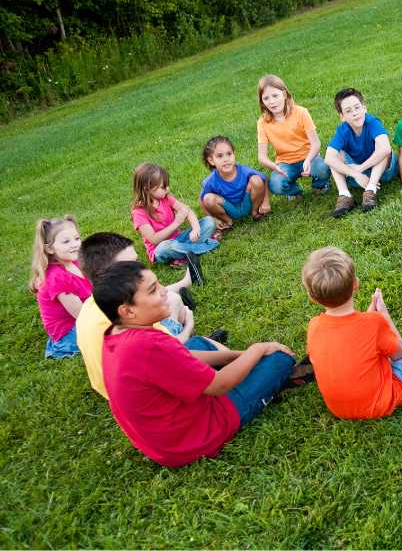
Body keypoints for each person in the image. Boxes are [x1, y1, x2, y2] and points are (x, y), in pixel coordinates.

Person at [93, 261, 296, 467]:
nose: (164, 292)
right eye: (154, 290)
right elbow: (219, 386)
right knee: (280, 360)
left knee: (197, 343)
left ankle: (244, 367)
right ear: (128, 311)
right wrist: (257, 350)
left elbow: (184, 354)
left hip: (164, 439)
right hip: (196, 438)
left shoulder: (115, 332)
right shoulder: (149, 346)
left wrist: (239, 356)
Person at [76, 232, 230, 399]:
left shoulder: (92, 306)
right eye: (131, 264)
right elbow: (169, 352)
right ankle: (202, 341)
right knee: (203, 340)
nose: (139, 267)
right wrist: (189, 326)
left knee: (172, 300)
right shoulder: (126, 319)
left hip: (114, 387)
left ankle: (201, 339)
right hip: (144, 387)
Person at [302, 246, 402, 419]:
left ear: (312, 297)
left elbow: (347, 344)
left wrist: (371, 318)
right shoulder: (373, 323)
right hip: (381, 401)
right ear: (355, 284)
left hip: (338, 410)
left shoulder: (314, 326)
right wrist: (383, 315)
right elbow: (399, 353)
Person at [131, 162, 216, 282]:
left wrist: (196, 228)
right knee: (165, 247)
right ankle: (208, 246)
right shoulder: (139, 213)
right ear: (147, 188)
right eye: (163, 187)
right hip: (162, 248)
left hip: (179, 239)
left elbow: (188, 212)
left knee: (209, 222)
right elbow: (154, 240)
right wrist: (176, 223)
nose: (168, 189)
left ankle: (184, 255)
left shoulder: (166, 198)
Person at [324, 88, 398, 216]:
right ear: (342, 117)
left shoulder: (372, 123)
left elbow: (385, 148)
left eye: (357, 107)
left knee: (383, 149)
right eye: (348, 111)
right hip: (357, 176)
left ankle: (371, 190)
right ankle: (345, 195)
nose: (354, 113)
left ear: (364, 108)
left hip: (382, 171)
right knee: (336, 156)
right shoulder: (343, 130)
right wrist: (357, 174)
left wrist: (359, 169)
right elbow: (328, 158)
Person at [256, 74, 331, 200]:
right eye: (266, 98)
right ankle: (294, 192)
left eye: (275, 95)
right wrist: (275, 167)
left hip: (309, 157)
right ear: (262, 102)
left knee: (323, 169)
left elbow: (316, 143)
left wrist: (308, 160)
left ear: (284, 95)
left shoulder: (301, 112)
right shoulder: (262, 123)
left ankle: (319, 185)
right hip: (285, 163)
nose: (272, 101)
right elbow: (262, 157)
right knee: (275, 184)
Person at [29, 215, 92, 358]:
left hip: (82, 315)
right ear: (50, 249)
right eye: (66, 242)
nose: (75, 244)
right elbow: (83, 315)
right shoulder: (57, 278)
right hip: (70, 332)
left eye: (77, 239)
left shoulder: (73, 262)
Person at [199, 136, 269, 237]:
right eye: (220, 156)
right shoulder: (211, 181)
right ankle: (228, 222)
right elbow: (202, 200)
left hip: (247, 203)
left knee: (256, 180)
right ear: (211, 160)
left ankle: (255, 213)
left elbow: (264, 179)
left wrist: (266, 202)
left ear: (234, 154)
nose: (226, 159)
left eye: (229, 154)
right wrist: (212, 219)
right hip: (229, 209)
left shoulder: (244, 171)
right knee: (208, 198)